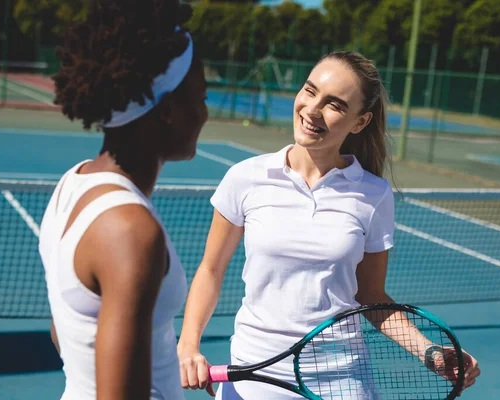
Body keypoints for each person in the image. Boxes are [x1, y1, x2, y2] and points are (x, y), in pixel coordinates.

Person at [176, 51, 480, 399]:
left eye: (334, 104)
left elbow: (372, 298)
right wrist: (188, 344)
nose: (312, 109)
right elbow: (211, 270)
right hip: (252, 376)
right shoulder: (245, 178)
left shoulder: (374, 195)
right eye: (309, 91)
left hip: (341, 381)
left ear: (359, 122)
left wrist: (432, 353)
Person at [37, 0, 208, 399]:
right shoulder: (130, 231)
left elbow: (64, 331)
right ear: (168, 110)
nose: (204, 113)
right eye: (200, 97)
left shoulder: (73, 181)